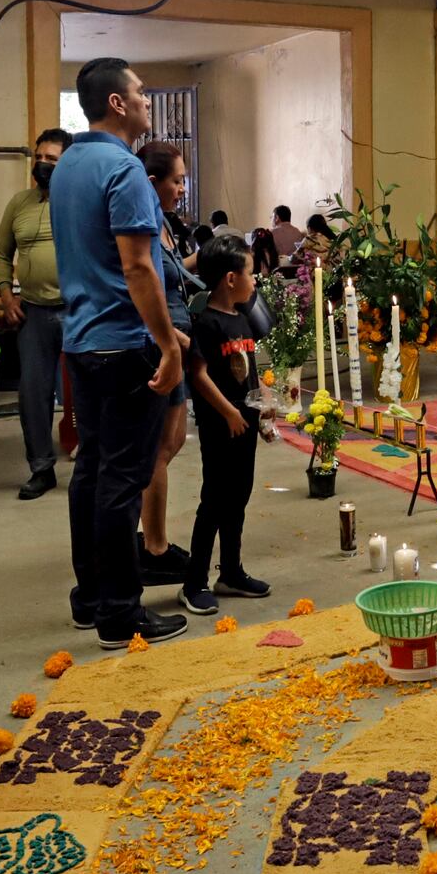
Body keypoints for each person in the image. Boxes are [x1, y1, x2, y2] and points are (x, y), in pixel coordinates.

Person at [49, 58, 187, 649]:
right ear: (117, 104)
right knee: (122, 480)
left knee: (92, 471)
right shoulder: (124, 169)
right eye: (141, 93)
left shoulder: (69, 164)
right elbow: (135, 266)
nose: (149, 102)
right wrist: (166, 343)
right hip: (125, 343)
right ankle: (121, 613)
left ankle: (91, 595)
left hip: (82, 340)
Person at [182, 240, 272, 614]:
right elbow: (199, 376)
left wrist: (266, 396)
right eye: (251, 273)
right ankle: (193, 582)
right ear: (231, 278)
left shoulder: (242, 318)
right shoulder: (207, 322)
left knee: (239, 497)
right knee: (215, 500)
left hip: (245, 422)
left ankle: (231, 572)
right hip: (221, 426)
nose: (256, 280)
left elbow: (248, 370)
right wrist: (228, 413)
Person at [0, 127, 72, 501]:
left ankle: (93, 466)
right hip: (34, 314)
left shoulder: (79, 201)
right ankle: (41, 469)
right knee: (32, 395)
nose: (41, 165)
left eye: (51, 160)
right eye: (38, 158)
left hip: (78, 312)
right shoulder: (19, 203)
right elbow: (2, 254)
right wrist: (7, 297)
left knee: (89, 393)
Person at [136, 142, 202, 589]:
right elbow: (142, 285)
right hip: (167, 340)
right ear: (152, 181)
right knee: (160, 447)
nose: (182, 188)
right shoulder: (140, 224)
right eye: (176, 180)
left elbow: (174, 274)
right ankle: (153, 546)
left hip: (179, 334)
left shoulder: (163, 223)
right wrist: (171, 341)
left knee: (173, 441)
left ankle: (154, 539)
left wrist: (214, 260)